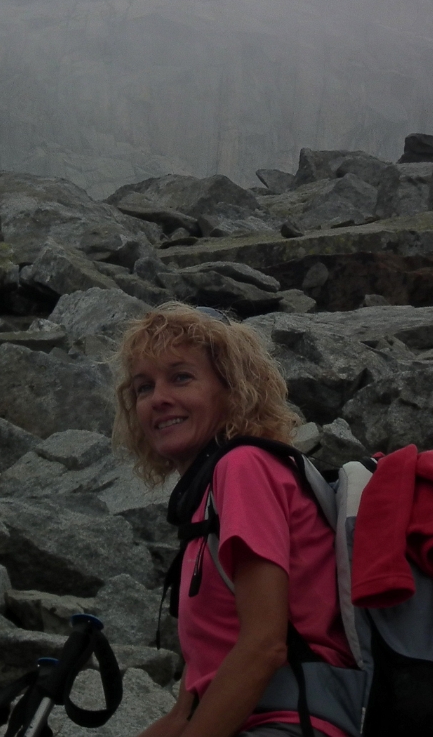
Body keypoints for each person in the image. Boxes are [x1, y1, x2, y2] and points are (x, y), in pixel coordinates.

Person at [114, 303, 356, 737]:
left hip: (294, 722)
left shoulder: (243, 468)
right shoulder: (202, 504)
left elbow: (265, 646)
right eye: (143, 387)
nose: (159, 398)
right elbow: (192, 700)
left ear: (233, 388)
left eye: (181, 377)